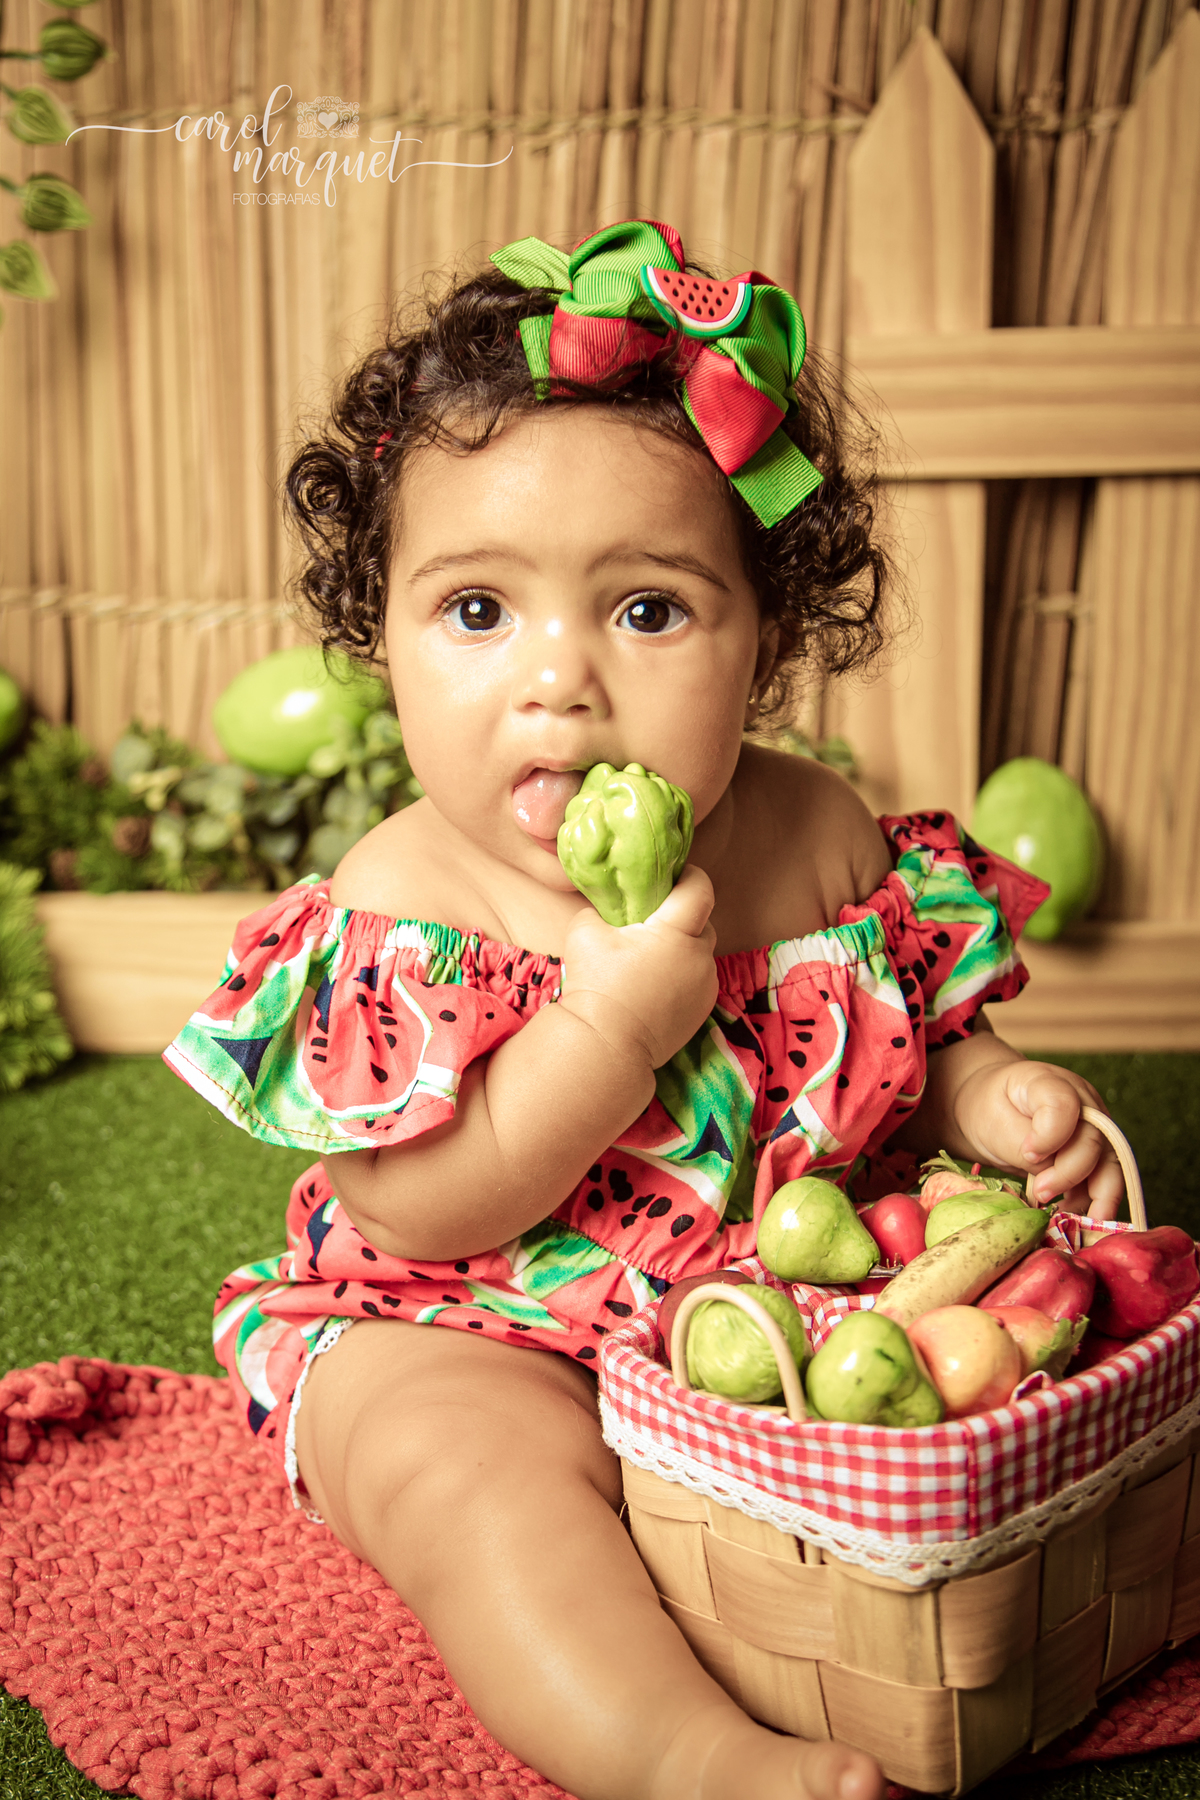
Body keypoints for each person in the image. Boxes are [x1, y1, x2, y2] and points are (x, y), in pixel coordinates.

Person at [166, 220, 1122, 1800]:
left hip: (771, 1324)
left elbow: (929, 1032)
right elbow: (411, 1211)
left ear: (767, 642)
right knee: (477, 1487)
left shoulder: (819, 839)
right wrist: (606, 1030)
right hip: (465, 1327)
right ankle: (690, 1758)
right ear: (382, 641)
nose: (559, 682)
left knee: (985, 1382)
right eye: (477, 612)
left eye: (650, 611)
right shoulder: (411, 901)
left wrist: (997, 1096)